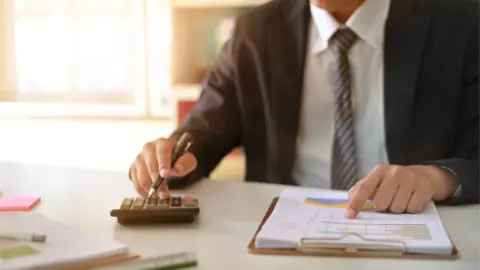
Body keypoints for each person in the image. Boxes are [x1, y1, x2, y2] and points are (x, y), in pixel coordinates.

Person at [129, 0, 479, 219]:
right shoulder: (255, 33)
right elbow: (203, 134)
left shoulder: (462, 25)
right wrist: (170, 156)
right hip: (283, 237)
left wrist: (436, 178)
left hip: (412, 230)